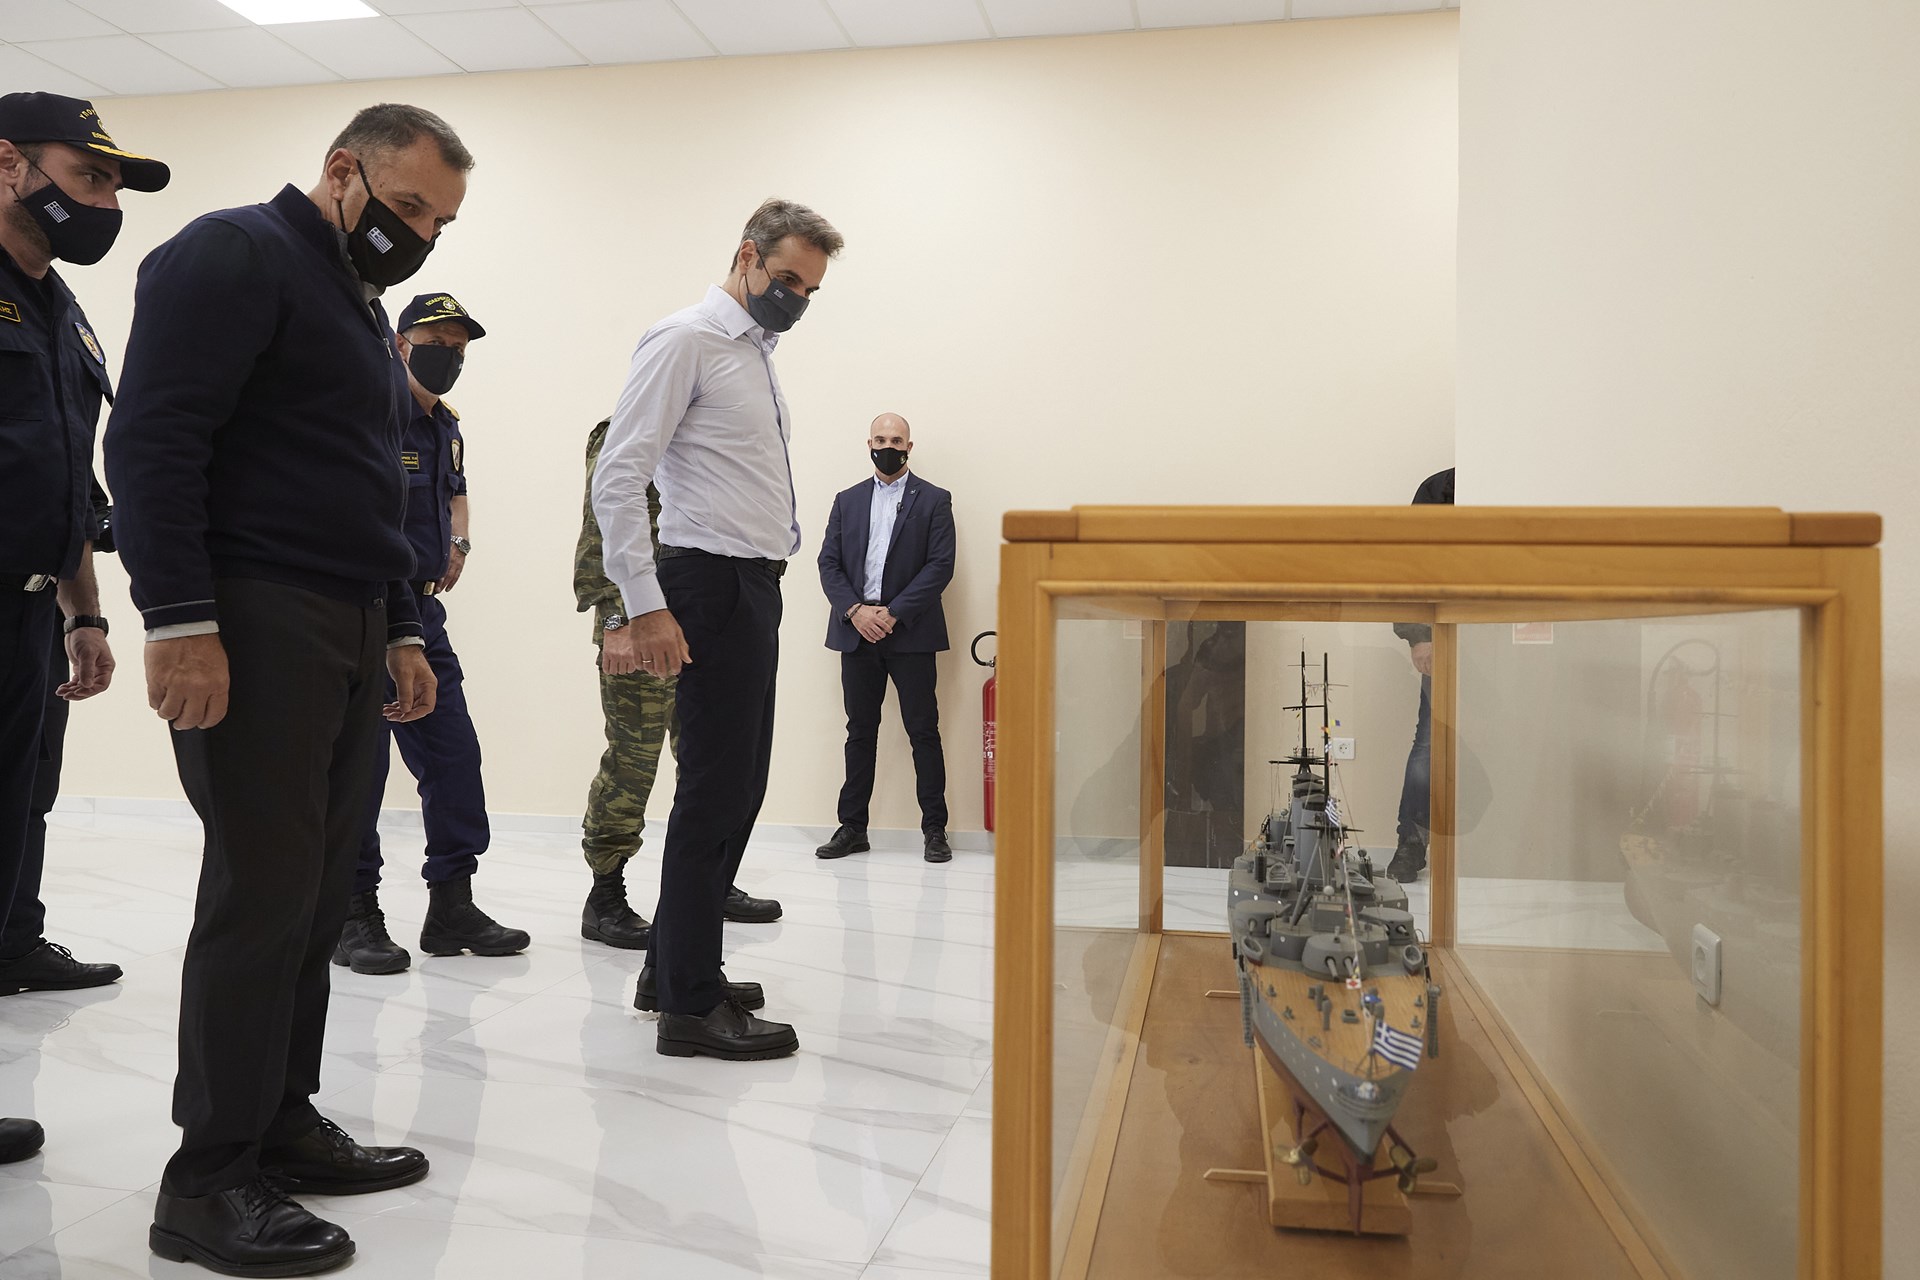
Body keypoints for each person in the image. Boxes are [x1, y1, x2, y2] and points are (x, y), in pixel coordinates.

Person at [105, 103, 471, 1276]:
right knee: (261, 894)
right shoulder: (233, 251)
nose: (419, 234)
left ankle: (281, 1121)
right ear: (341, 169)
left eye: (440, 222)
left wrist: (402, 623)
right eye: (407, 205)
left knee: (314, 897)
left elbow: (365, 482)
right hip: (257, 615)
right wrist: (178, 620)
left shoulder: (356, 303)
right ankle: (207, 1179)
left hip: (349, 619)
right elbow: (154, 442)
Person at [593, 198, 842, 1061]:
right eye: (787, 280)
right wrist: (644, 603)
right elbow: (618, 475)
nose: (795, 300)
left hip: (751, 586)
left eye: (810, 291)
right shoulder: (686, 340)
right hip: (707, 584)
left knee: (739, 788)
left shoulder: (753, 352)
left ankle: (670, 970)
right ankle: (691, 1008)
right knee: (714, 793)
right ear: (745, 256)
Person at [0, 91, 168, 1166]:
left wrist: (86, 612)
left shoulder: (62, 310)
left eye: (112, 184)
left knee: (18, 812)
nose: (104, 201)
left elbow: (65, 479)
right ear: (8, 163)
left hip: (30, 608)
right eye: (88, 175)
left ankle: (13, 942)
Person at [334, 292, 528, 976]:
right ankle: (353, 912)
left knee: (453, 756)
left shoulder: (444, 424)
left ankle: (452, 903)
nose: (449, 356)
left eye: (459, 348)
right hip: (361, 609)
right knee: (361, 770)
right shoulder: (372, 411)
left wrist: (460, 543)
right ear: (400, 342)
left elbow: (455, 490)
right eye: (436, 342)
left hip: (423, 614)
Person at [576, 420, 785, 949]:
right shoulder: (625, 430)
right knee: (633, 762)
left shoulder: (699, 433)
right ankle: (605, 894)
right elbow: (602, 524)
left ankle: (708, 886)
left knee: (712, 766)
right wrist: (615, 621)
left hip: (700, 618)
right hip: (639, 625)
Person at [815, 413, 957, 863]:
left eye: (896, 440)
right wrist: (856, 611)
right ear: (869, 444)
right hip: (857, 631)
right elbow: (828, 563)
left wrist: (893, 614)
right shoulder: (847, 500)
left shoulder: (934, 499)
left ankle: (935, 830)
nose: (888, 447)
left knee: (923, 731)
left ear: (909, 447)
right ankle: (852, 828)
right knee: (860, 732)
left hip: (910, 632)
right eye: (880, 439)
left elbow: (940, 565)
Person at [1387, 466, 1456, 883]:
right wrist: (1418, 636)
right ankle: (1411, 844)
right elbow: (1409, 564)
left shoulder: (1522, 480)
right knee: (1429, 744)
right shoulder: (1440, 489)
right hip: (1446, 635)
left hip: (1516, 636)